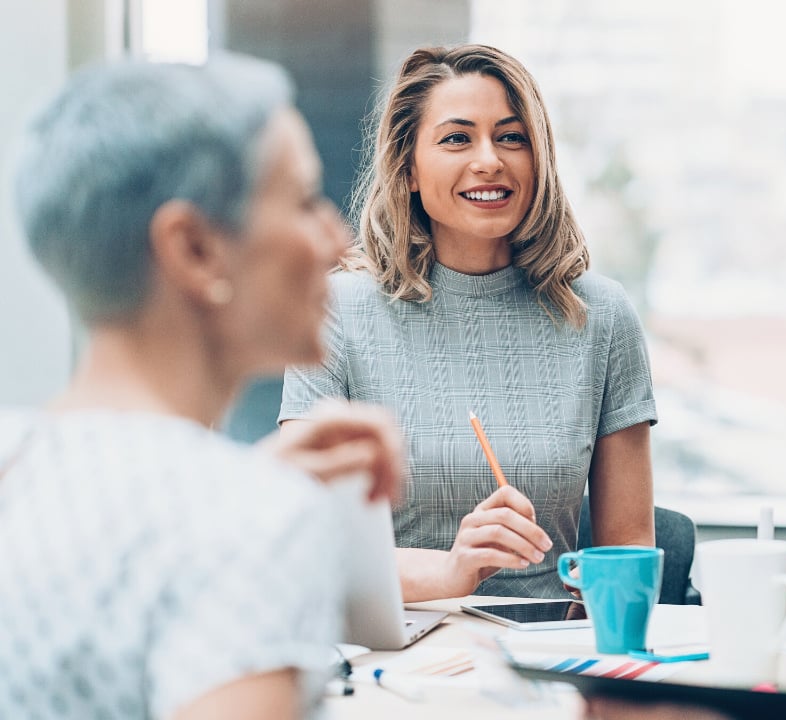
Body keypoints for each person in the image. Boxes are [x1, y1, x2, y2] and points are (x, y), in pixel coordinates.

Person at [0, 56, 404, 719]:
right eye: (304, 201)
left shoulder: (15, 466)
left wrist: (246, 485)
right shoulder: (251, 524)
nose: (336, 240)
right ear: (193, 249)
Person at [279, 44, 658, 601]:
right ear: (407, 168)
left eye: (511, 137)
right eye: (457, 138)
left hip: (550, 662)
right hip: (397, 657)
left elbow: (629, 553)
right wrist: (452, 570)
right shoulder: (335, 311)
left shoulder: (601, 315)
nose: (490, 160)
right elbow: (310, 543)